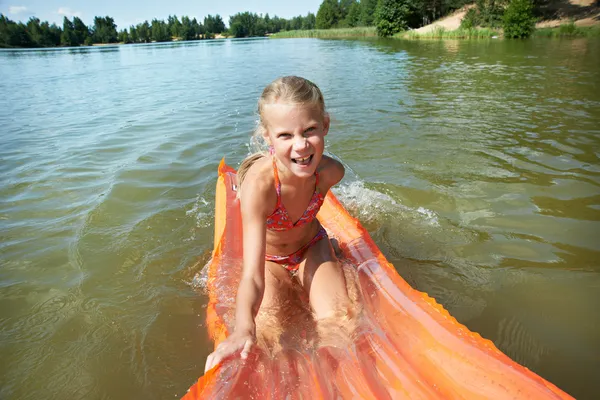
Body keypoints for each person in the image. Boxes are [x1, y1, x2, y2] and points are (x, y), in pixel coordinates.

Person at [204, 76, 352, 373]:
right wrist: (243, 328)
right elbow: (252, 277)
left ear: (325, 125)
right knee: (269, 333)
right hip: (270, 261)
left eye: (309, 130)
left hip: (312, 246)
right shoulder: (260, 187)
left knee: (340, 322)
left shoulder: (331, 172)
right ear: (267, 137)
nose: (301, 146)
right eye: (285, 135)